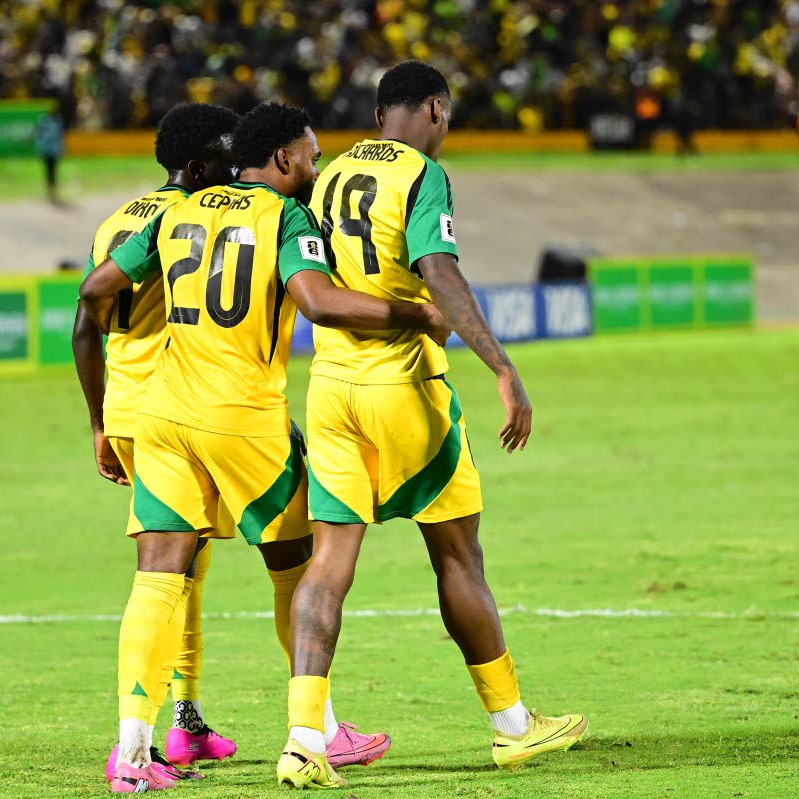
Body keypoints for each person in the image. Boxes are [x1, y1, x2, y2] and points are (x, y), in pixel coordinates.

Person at [79, 102, 446, 793]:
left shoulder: (173, 211)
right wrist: (420, 313)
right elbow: (319, 302)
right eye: (310, 155)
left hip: (163, 415)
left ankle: (130, 752)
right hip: (243, 415)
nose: (316, 167)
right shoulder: (284, 216)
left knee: (157, 578)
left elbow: (95, 290)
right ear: (282, 159)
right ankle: (321, 727)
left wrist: (118, 389)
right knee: (299, 565)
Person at [277, 61, 588, 789]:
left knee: (327, 565)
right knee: (456, 556)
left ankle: (301, 737)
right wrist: (500, 365)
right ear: (436, 110)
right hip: (402, 385)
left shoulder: (327, 172)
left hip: (329, 388)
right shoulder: (420, 173)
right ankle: (513, 725)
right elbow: (438, 268)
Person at [72, 103, 243, 784]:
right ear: (199, 166)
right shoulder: (191, 219)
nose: (236, 170)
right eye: (226, 159)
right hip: (176, 410)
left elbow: (86, 327)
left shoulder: (117, 220)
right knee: (168, 569)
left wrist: (98, 421)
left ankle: (185, 720)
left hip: (129, 408)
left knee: (185, 564)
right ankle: (137, 743)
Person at [35, 104, 64, 202]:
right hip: (47, 150)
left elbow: (60, 137)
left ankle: (52, 189)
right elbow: (39, 133)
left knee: (52, 171)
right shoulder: (45, 121)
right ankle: (50, 189)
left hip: (53, 150)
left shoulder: (58, 122)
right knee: (49, 171)